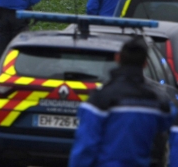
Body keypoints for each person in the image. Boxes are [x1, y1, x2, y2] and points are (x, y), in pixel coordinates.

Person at [68, 37, 172, 167]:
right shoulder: (157, 101)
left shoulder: (101, 98)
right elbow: (166, 138)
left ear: (118, 58)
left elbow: (86, 145)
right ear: (145, 63)